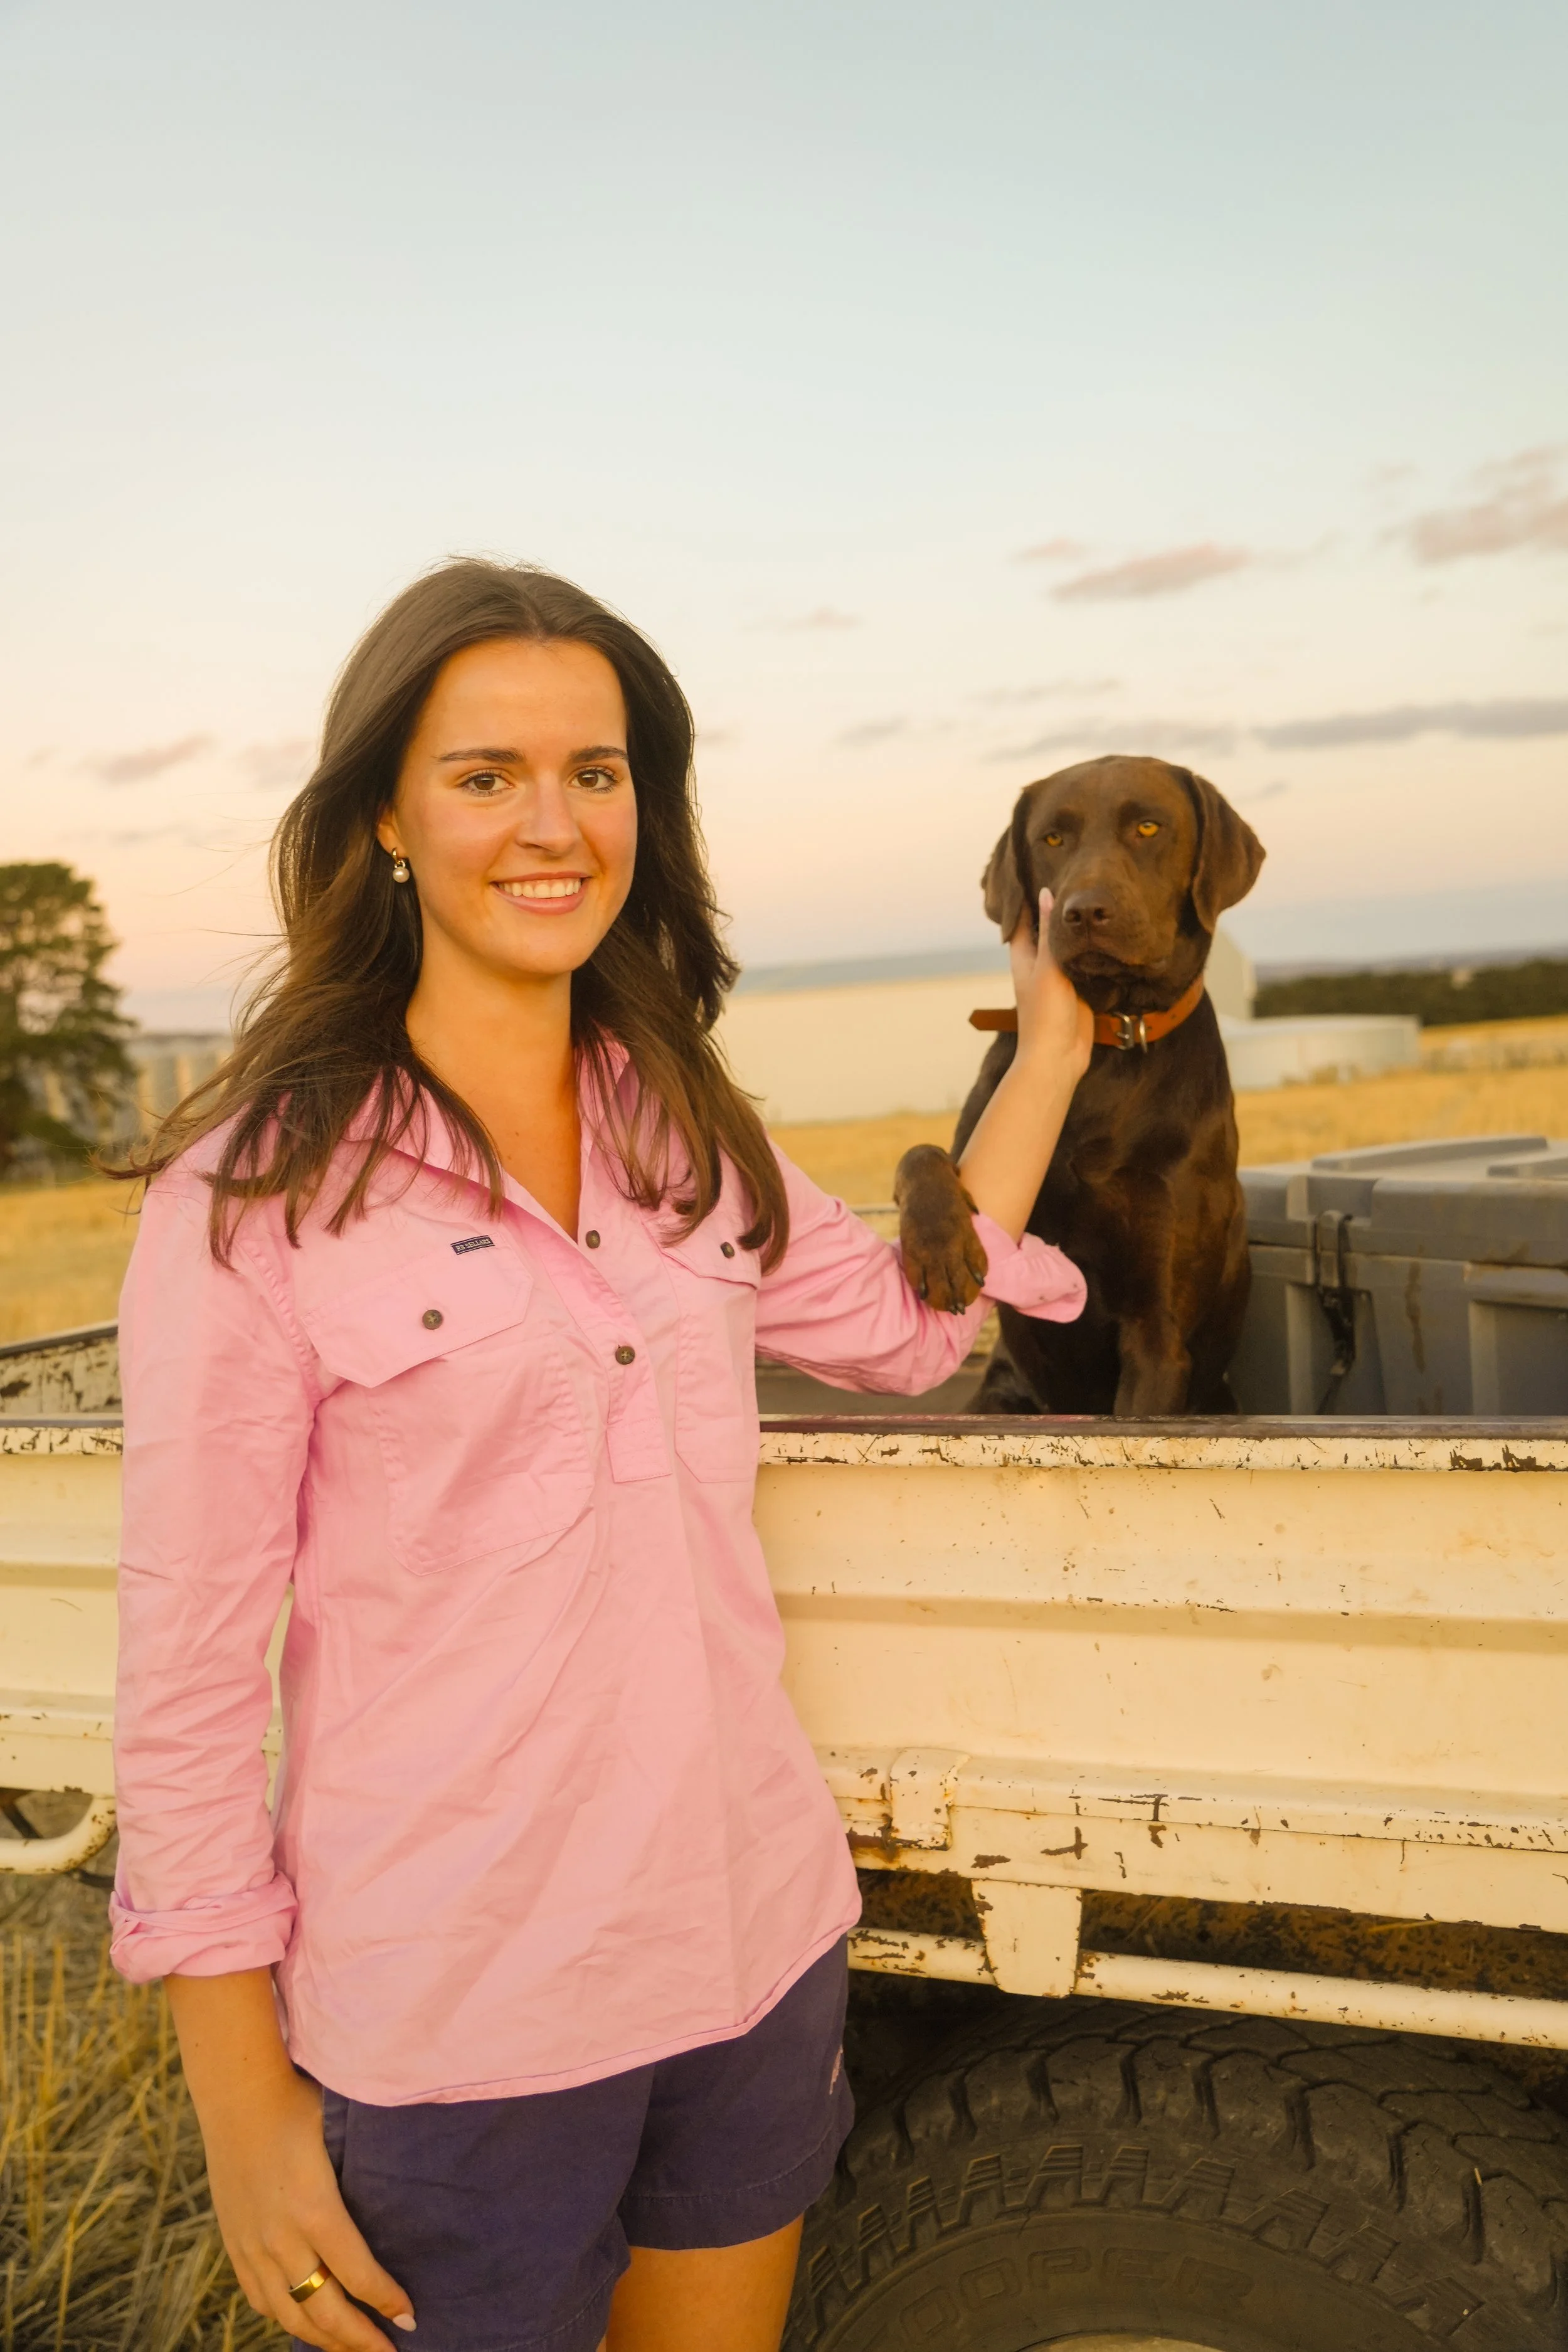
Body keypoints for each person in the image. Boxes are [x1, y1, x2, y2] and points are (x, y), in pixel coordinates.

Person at [109, 559, 1092, 2352]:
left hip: (749, 1951)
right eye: (484, 775)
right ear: (386, 820)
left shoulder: (685, 1125)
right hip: (457, 2026)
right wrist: (246, 2108)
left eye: (599, 769)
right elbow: (181, 1667)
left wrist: (1048, 1049)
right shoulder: (254, 1194)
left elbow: (914, 1328)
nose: (552, 823)